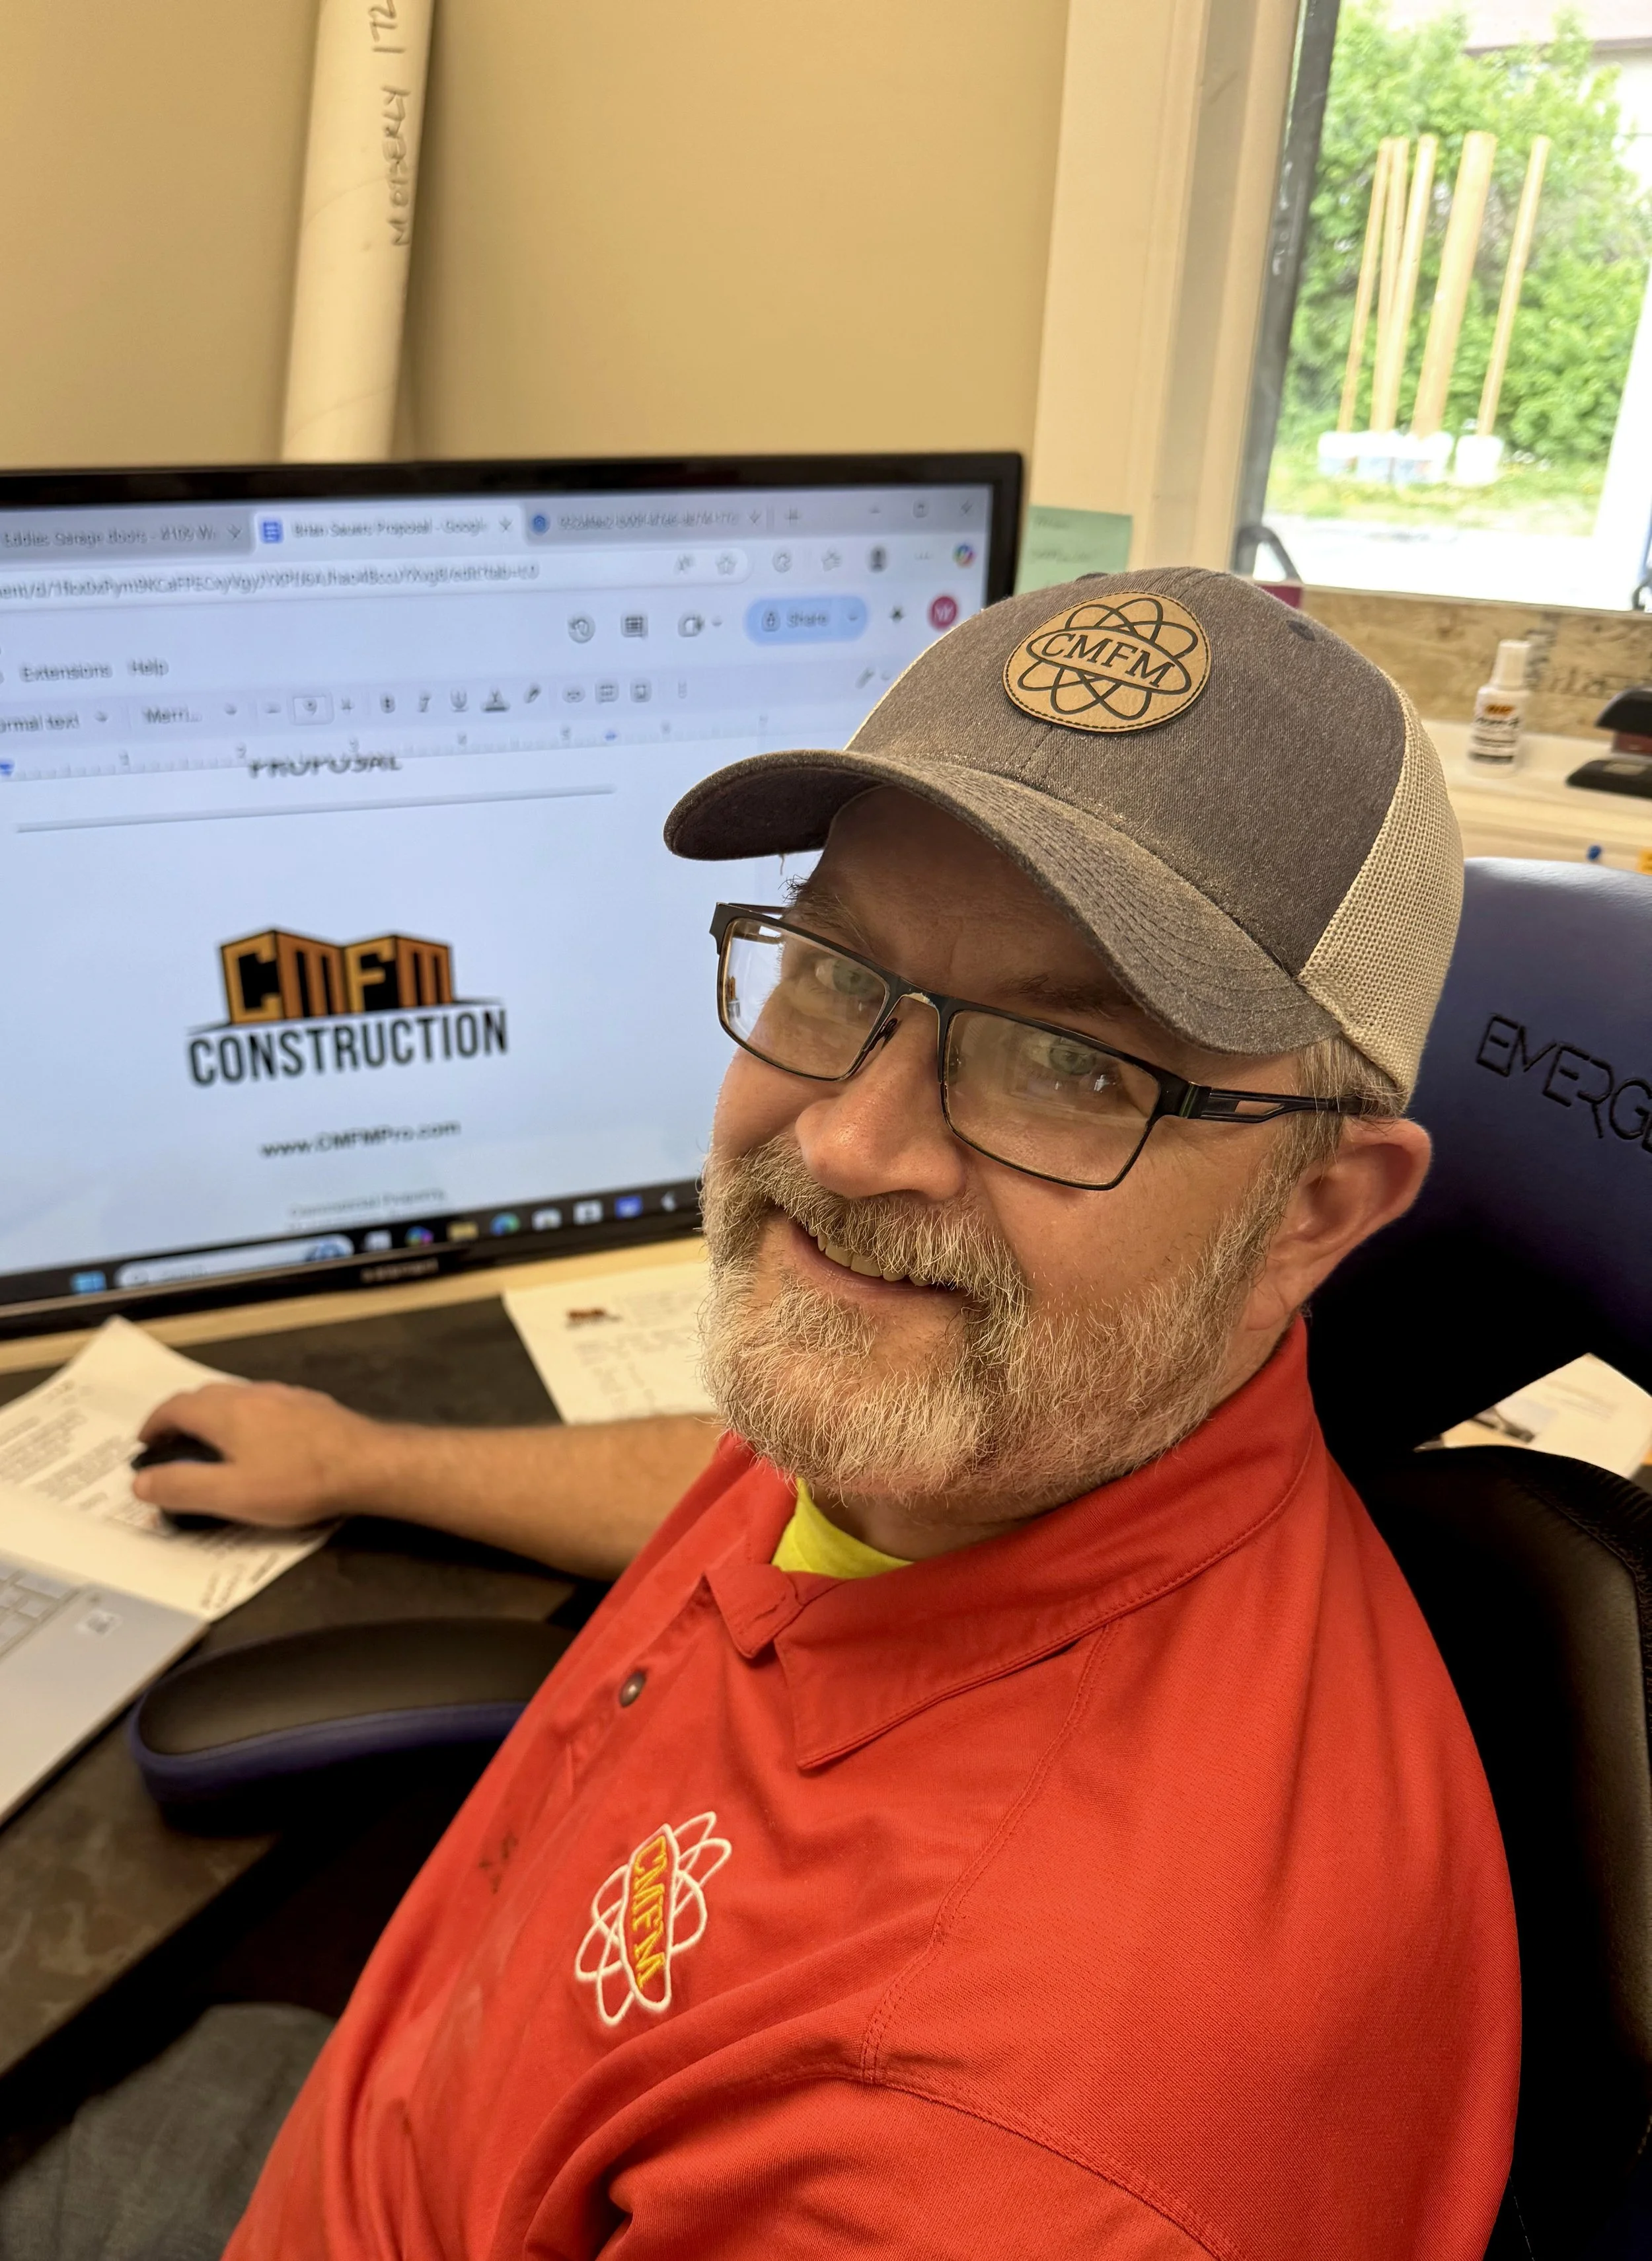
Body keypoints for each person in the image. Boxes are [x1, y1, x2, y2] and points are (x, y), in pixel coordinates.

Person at [19, 570, 1519, 2260]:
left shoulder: (981, 2152)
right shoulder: (977, 1440)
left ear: (1313, 1212)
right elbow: (742, 1480)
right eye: (831, 969)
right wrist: (365, 1459)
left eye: (1068, 1064)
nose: (848, 1143)